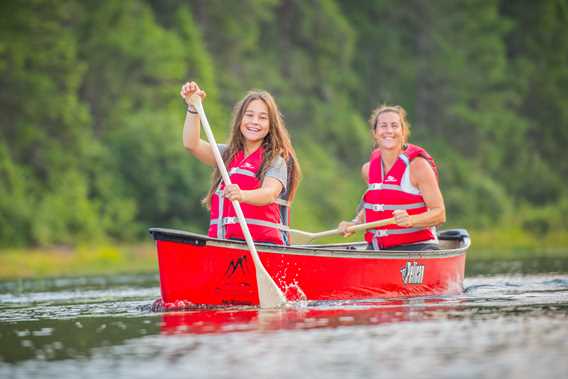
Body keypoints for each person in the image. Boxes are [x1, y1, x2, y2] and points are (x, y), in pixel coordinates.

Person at [180, 81, 301, 245]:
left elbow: (270, 193)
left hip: (263, 248)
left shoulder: (275, 160)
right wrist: (194, 107)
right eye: (249, 115)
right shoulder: (227, 155)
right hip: (224, 246)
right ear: (240, 119)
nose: (255, 121)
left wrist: (242, 195)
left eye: (262, 118)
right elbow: (191, 143)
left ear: (271, 125)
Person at [338, 105, 445, 251]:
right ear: (375, 133)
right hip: (379, 249)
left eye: (394, 126)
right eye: (383, 126)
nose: (389, 131)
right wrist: (354, 223)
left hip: (417, 247)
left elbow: (439, 213)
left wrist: (411, 220)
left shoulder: (418, 166)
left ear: (403, 132)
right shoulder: (368, 170)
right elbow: (376, 208)